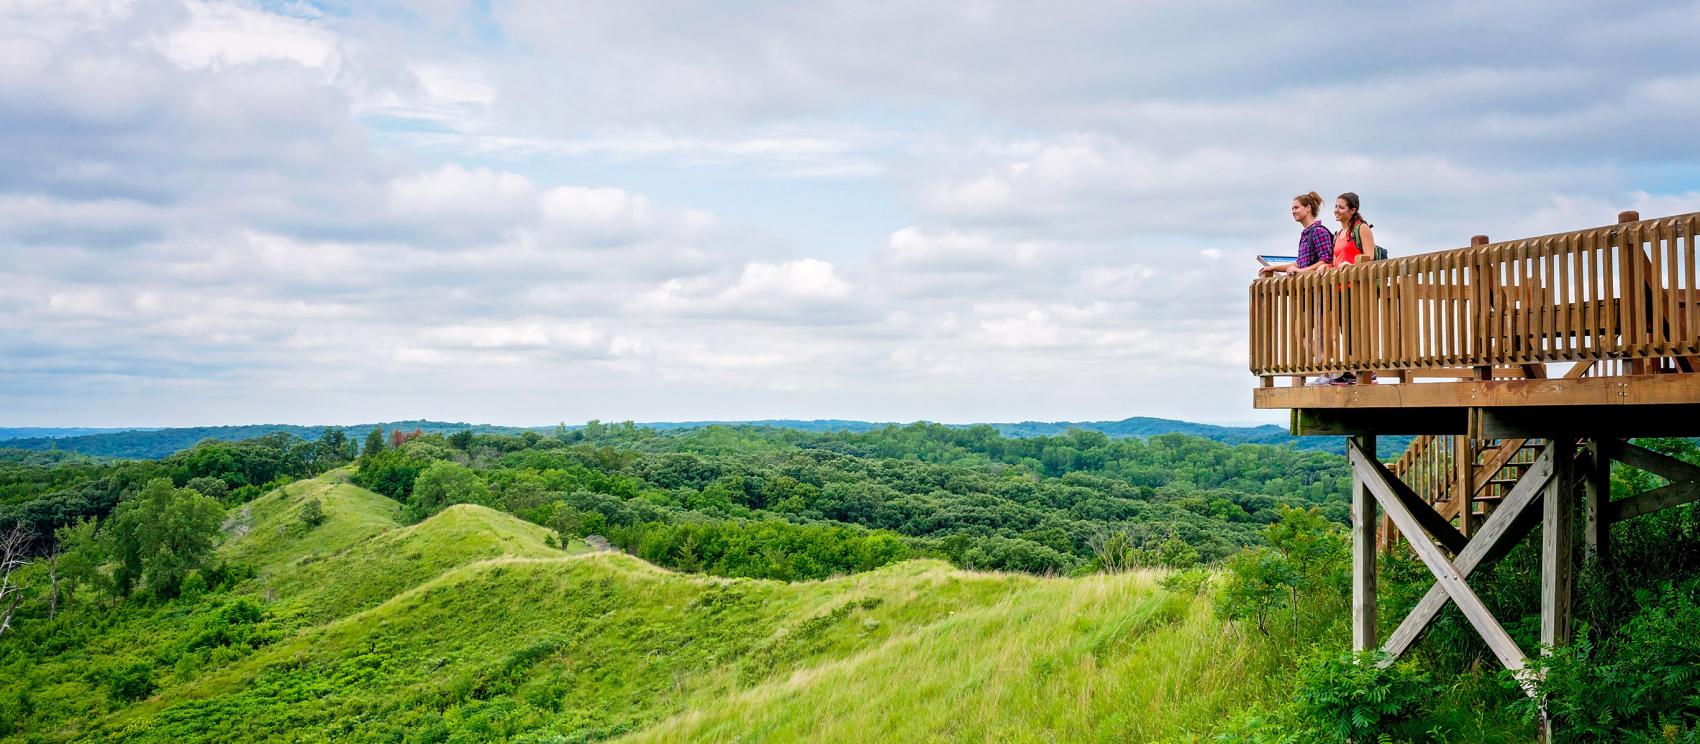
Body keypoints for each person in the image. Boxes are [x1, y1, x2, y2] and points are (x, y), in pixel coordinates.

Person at [1310, 193, 1377, 385]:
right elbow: (1335, 260)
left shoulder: (1361, 228)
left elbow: (1369, 256)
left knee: (1357, 328)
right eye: (1336, 206)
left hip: (1356, 287)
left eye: (1341, 207)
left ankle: (1366, 370)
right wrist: (1326, 266)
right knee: (1345, 329)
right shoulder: (1338, 234)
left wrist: (1350, 265)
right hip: (1339, 288)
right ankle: (1350, 370)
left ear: (1353, 210)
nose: (1336, 210)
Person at [1258, 192, 1333, 277]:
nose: (1293, 212)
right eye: (1292, 209)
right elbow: (1299, 263)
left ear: (1308, 208)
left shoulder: (1318, 231)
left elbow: (1326, 260)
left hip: (1318, 285)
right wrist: (1273, 268)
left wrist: (1301, 271)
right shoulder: (1306, 234)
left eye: (1296, 208)